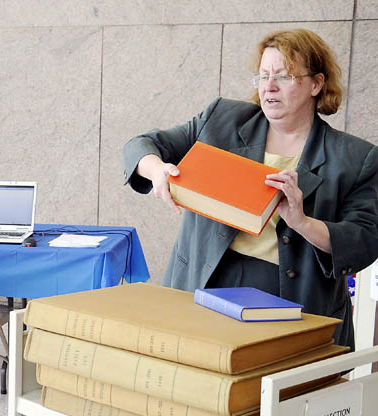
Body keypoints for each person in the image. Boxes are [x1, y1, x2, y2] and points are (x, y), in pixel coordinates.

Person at [123, 29, 378, 350]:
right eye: (263, 76)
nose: (269, 86)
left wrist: (302, 221)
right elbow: (142, 145)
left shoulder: (356, 157)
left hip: (295, 302)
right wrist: (156, 169)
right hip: (204, 284)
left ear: (316, 84)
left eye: (284, 76)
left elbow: (365, 240)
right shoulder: (222, 119)